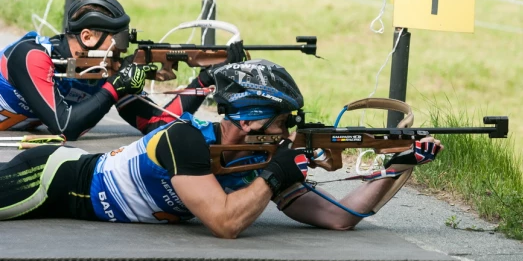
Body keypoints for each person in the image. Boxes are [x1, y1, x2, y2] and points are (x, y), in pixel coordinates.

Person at [0, 59, 443, 239]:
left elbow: (339, 218)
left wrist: (397, 168)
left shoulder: (255, 161)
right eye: (282, 123)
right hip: (49, 177)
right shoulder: (186, 140)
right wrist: (277, 173)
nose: (288, 131)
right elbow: (226, 222)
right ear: (249, 121)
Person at [0, 0, 244, 140]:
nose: (123, 50)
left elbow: (158, 123)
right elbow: (65, 127)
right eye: (118, 41)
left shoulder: (103, 69)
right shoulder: (31, 56)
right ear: (87, 38)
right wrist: (114, 87)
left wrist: (204, 81)